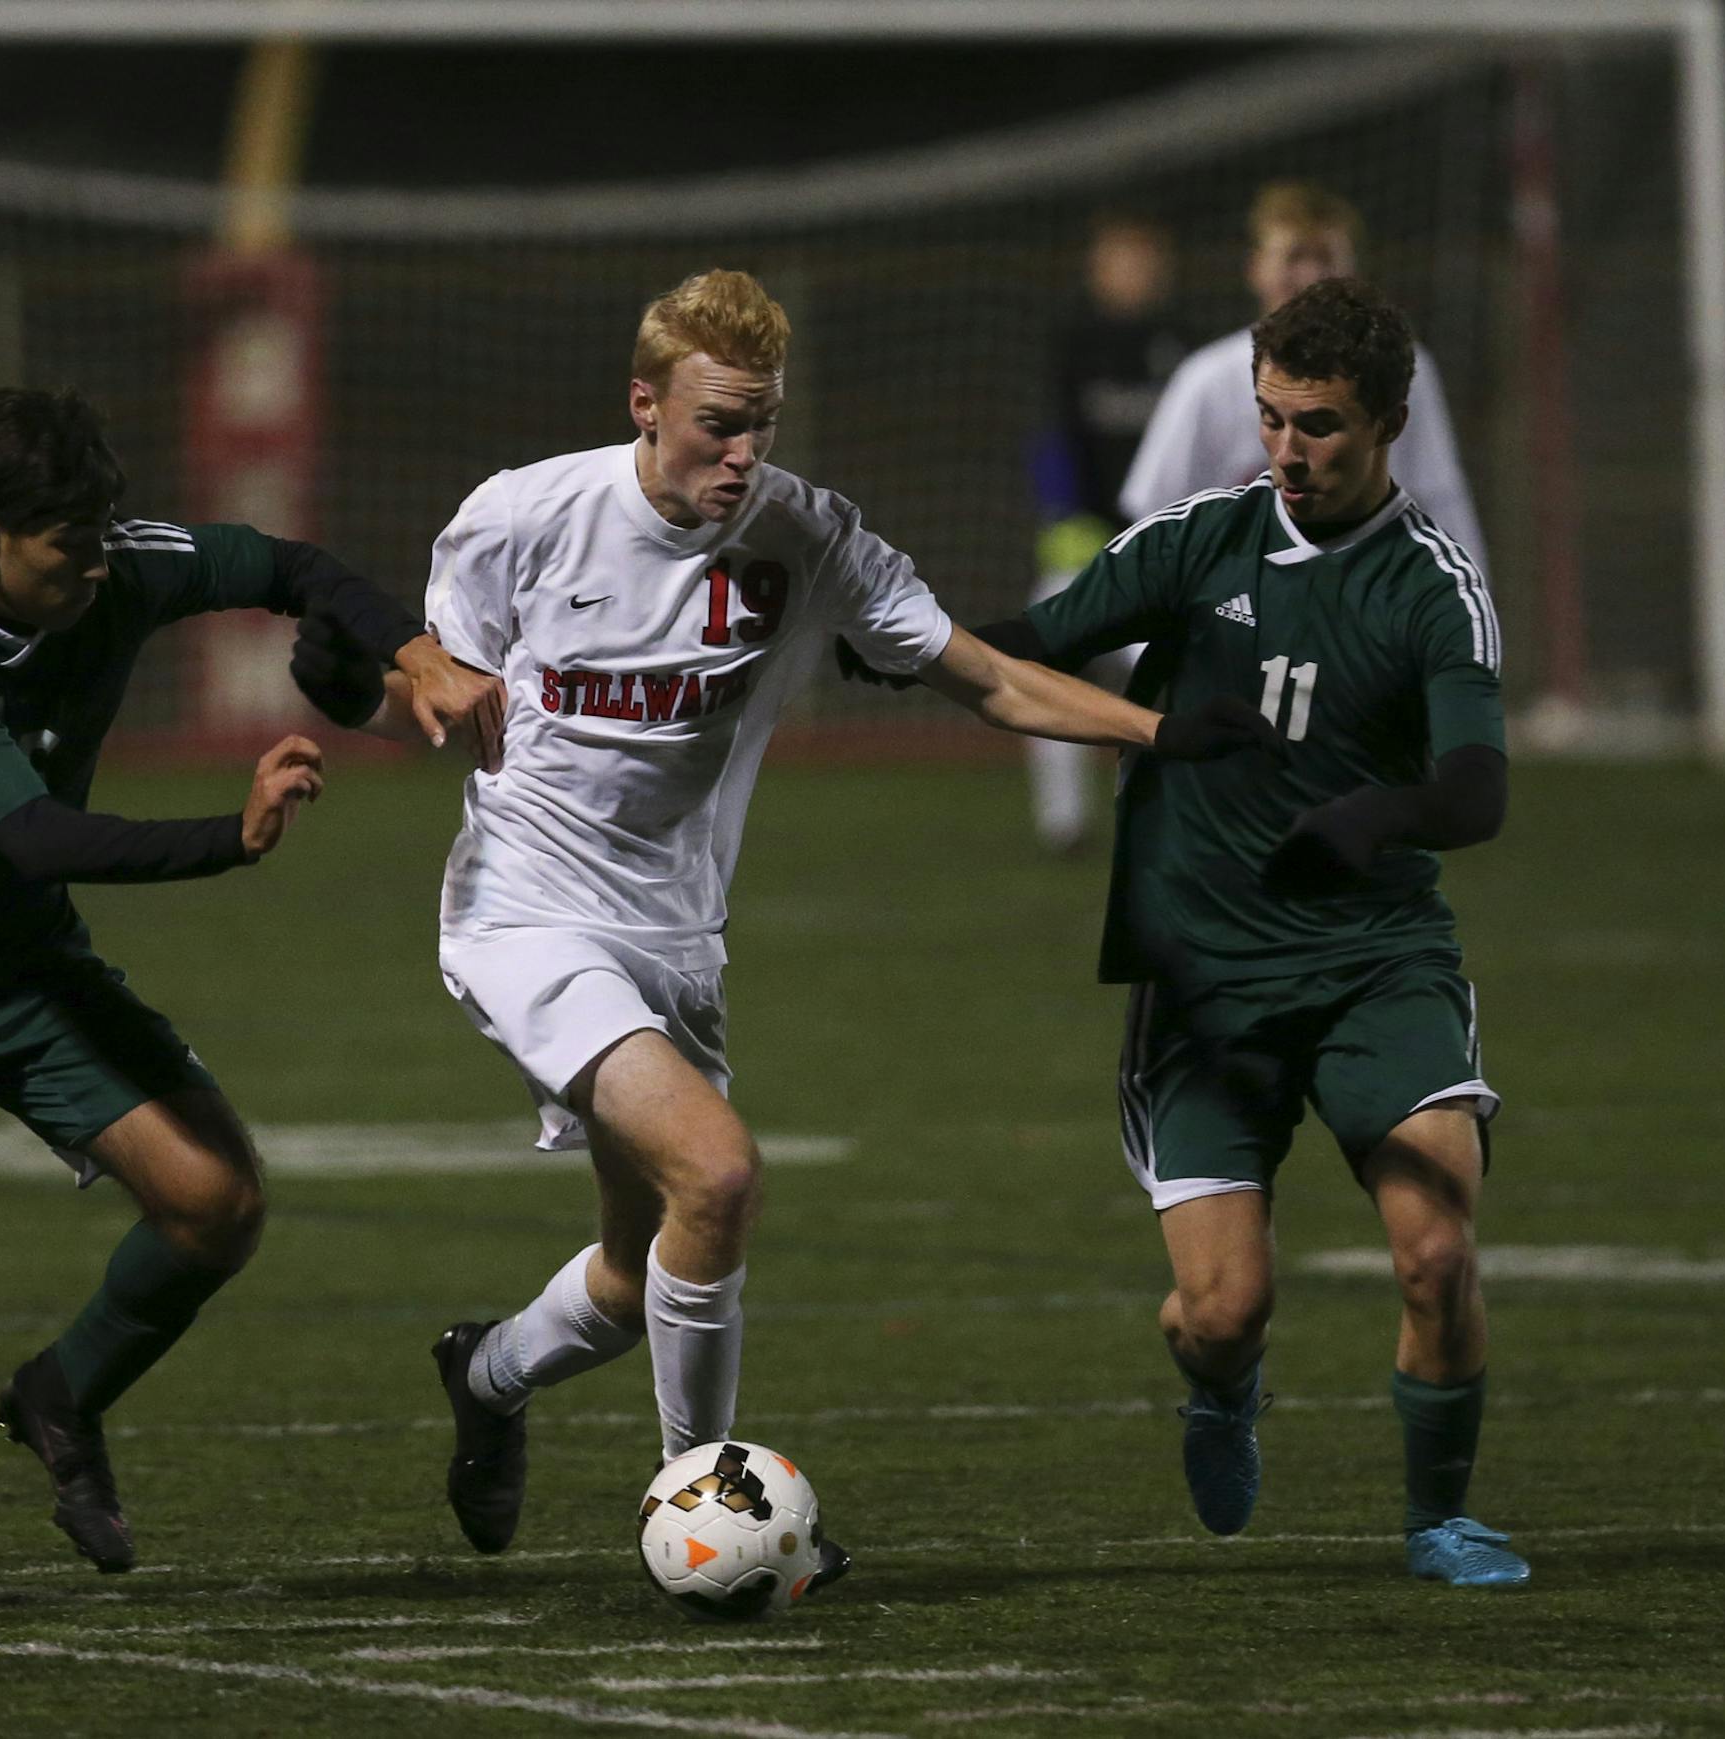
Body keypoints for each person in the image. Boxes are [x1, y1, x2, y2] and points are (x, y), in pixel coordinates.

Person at [287, 269, 1282, 1588]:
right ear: (645, 405)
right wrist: (357, 687)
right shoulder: (521, 516)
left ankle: (487, 1371)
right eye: (716, 424)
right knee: (722, 1172)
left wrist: (1161, 733)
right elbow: (437, 691)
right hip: (522, 911)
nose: (741, 453)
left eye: (761, 423)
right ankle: (704, 1499)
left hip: (675, 936)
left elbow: (981, 676)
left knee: (646, 1266)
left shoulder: (806, 534)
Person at [0, 387, 500, 1609]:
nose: (99, 567)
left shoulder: (113, 562)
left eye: (107, 534)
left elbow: (292, 563)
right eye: (71, 547)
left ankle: (61, 1391)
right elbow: (36, 837)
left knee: (217, 1201)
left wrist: (410, 649)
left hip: (26, 972)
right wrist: (236, 832)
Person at [854, 278, 1521, 1587]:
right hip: (1206, 979)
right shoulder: (1196, 542)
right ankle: (1224, 1388)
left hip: (1375, 963)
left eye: (1319, 424)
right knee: (1224, 1309)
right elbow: (1030, 644)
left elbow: (1477, 791)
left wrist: (1371, 816)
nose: (1286, 448)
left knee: (1436, 1246)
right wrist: (894, 644)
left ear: (1387, 421)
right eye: (1271, 418)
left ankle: (1439, 1514)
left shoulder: (1435, 584)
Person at [1121, 181, 1487, 575]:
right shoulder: (1206, 381)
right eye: (1295, 257)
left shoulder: (1405, 371)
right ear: (1256, 268)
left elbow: (1441, 503)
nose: (1311, 274)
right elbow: (1155, 518)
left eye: (1326, 256)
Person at [1027, 212, 1192, 850]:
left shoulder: (1186, 346)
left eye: (1143, 260)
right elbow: (1051, 441)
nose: (1132, 273)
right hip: (1086, 544)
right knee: (1041, 675)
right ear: (1098, 269)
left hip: (1162, 548)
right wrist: (1065, 516)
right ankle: (1063, 824)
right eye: (1120, 260)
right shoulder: (1072, 343)